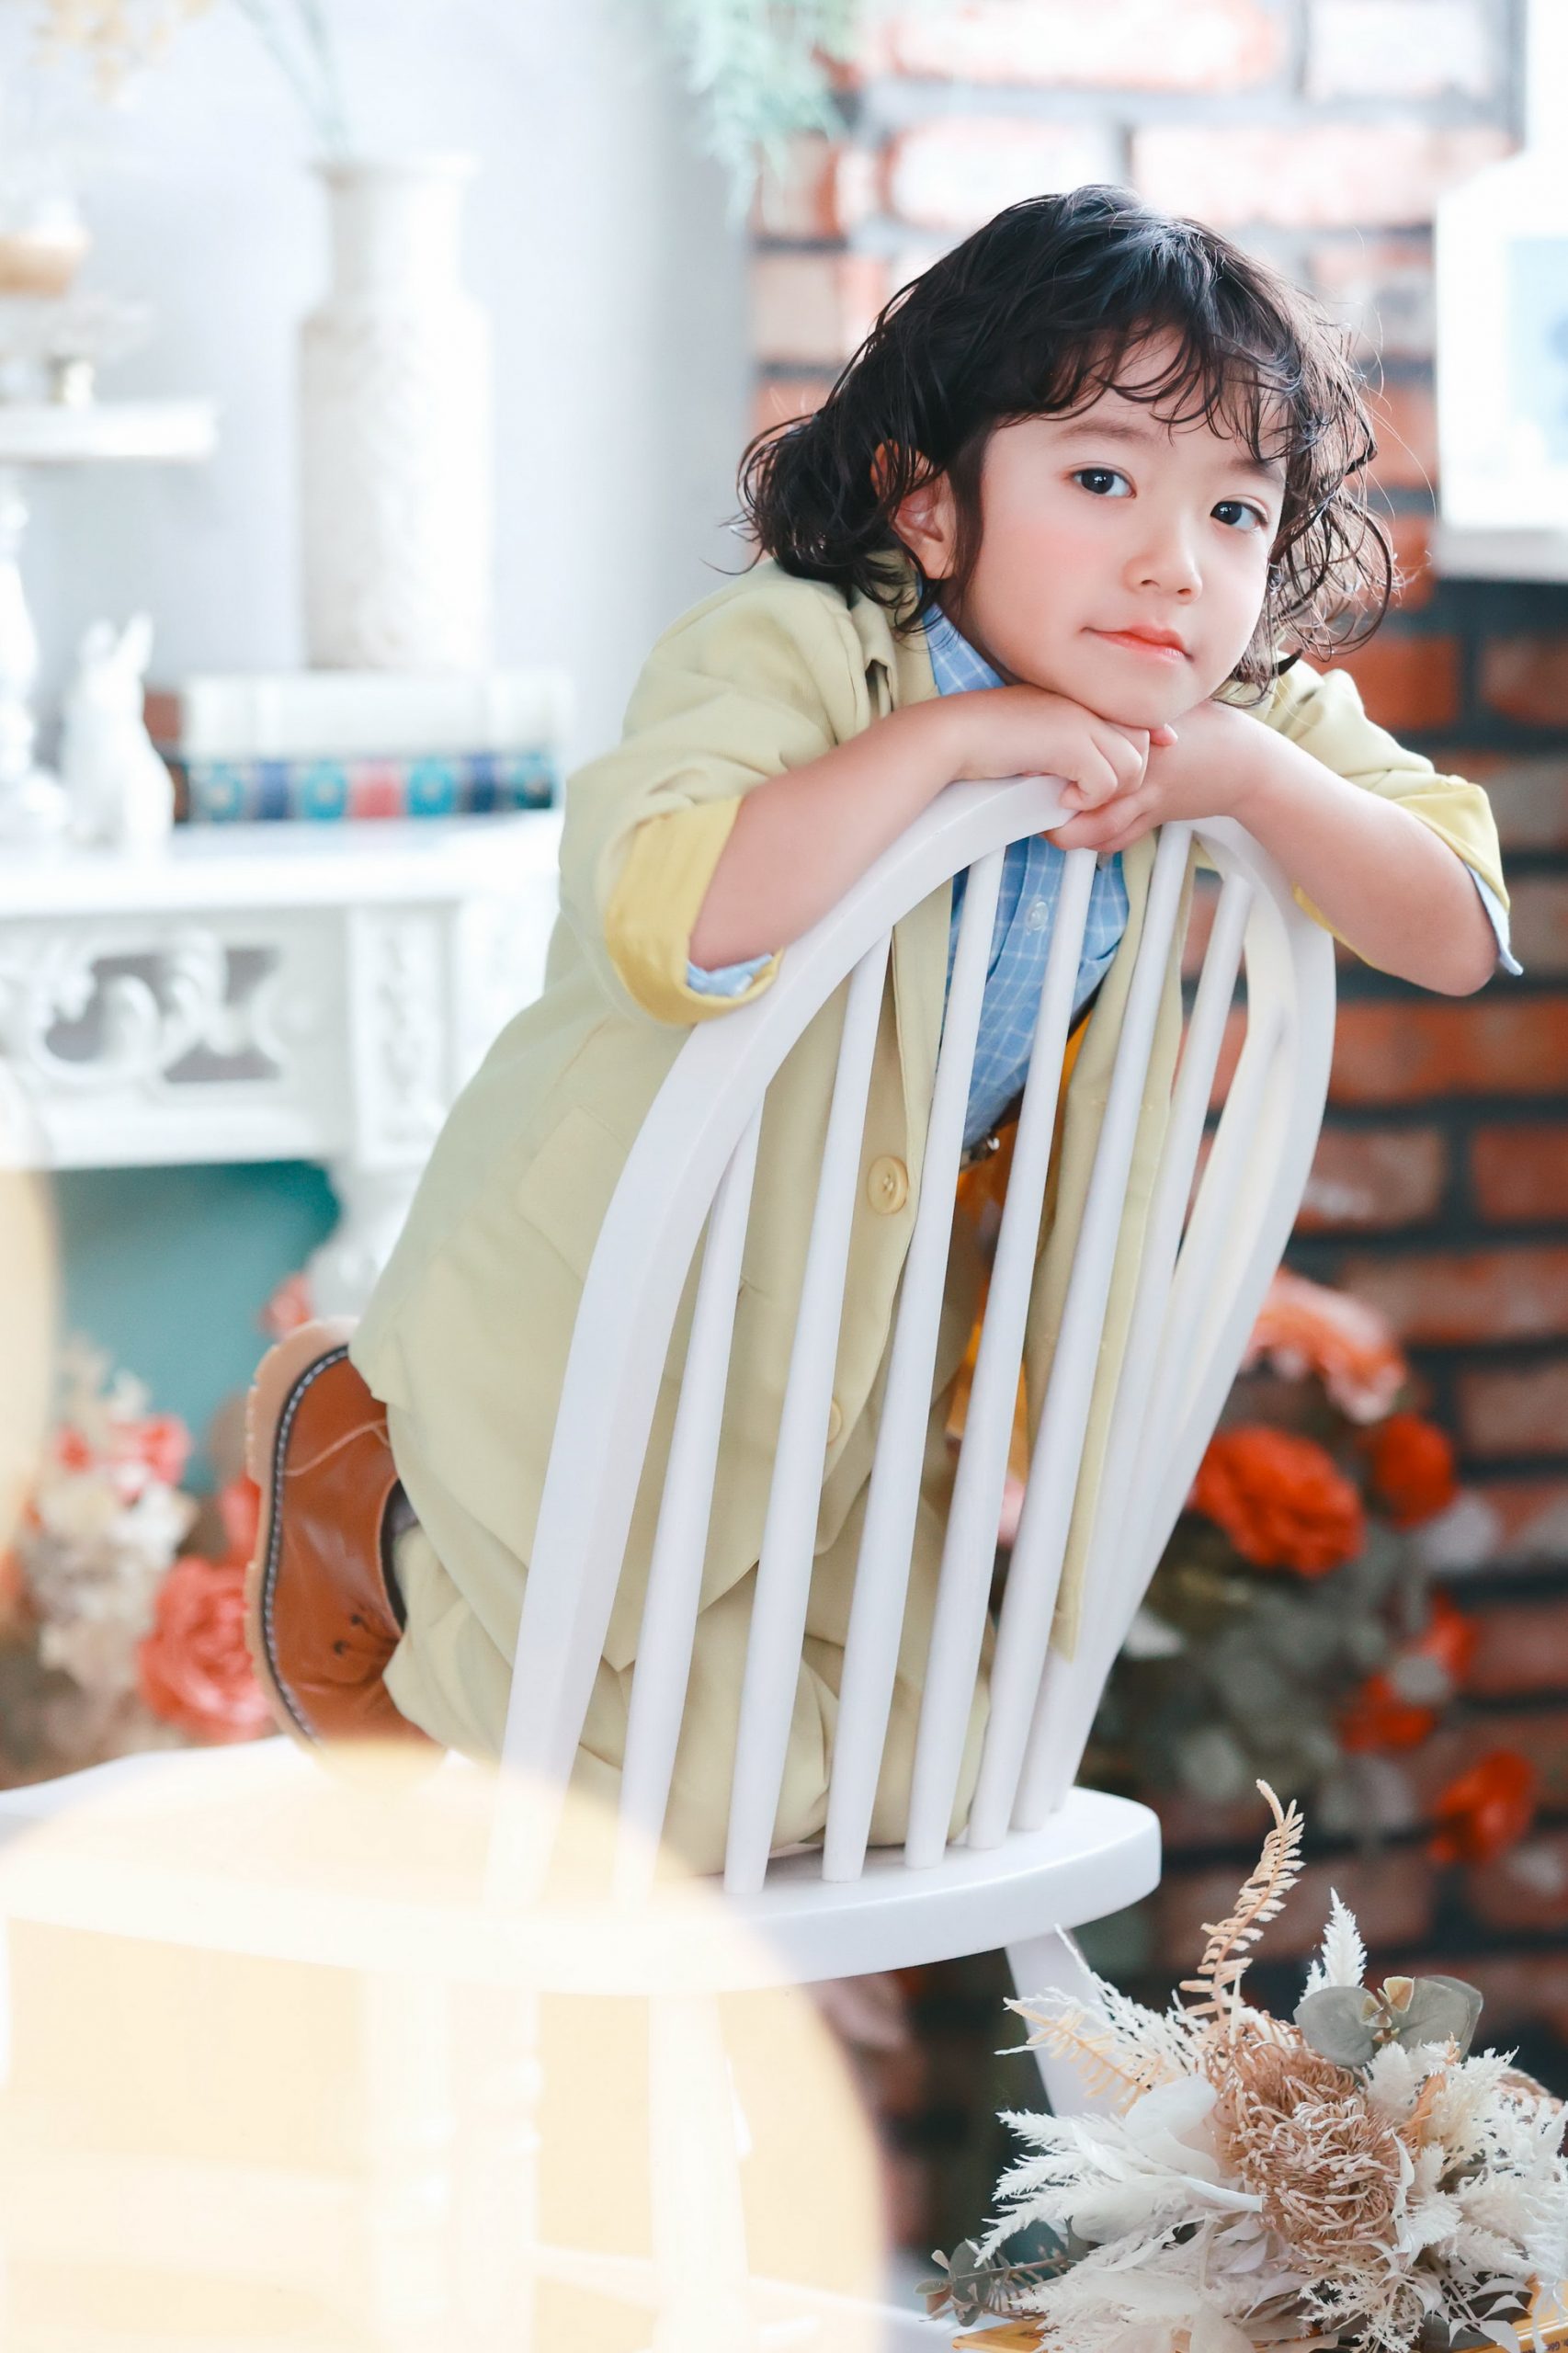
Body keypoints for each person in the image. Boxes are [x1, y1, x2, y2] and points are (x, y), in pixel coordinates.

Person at [244, 187, 1515, 1871]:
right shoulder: (799, 653)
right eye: (1100, 481)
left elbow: (1453, 926)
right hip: (604, 1318)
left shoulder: (1220, 715)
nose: (1173, 562)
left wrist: (1257, 780)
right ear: (925, 505)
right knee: (653, 1795)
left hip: (847, 1377)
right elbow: (670, 905)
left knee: (940, 1778)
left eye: (1232, 510)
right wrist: (945, 754)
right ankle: (376, 1497)